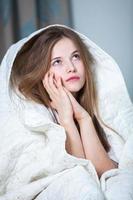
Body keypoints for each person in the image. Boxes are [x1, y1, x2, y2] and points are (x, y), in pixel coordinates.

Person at [0, 24, 133, 200]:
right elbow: (79, 175)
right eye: (57, 62)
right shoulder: (36, 115)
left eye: (76, 57)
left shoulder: (94, 110)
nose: (71, 67)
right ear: (41, 71)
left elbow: (108, 173)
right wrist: (66, 118)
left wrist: (83, 117)